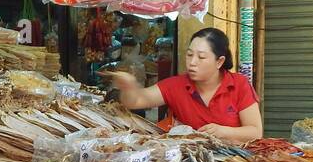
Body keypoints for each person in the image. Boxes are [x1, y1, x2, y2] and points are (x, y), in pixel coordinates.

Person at [104, 28, 263, 142]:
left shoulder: (239, 84)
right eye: (189, 55)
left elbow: (255, 132)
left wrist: (223, 131)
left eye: (201, 57)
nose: (192, 62)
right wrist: (128, 86)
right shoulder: (176, 85)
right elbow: (136, 100)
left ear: (219, 61)